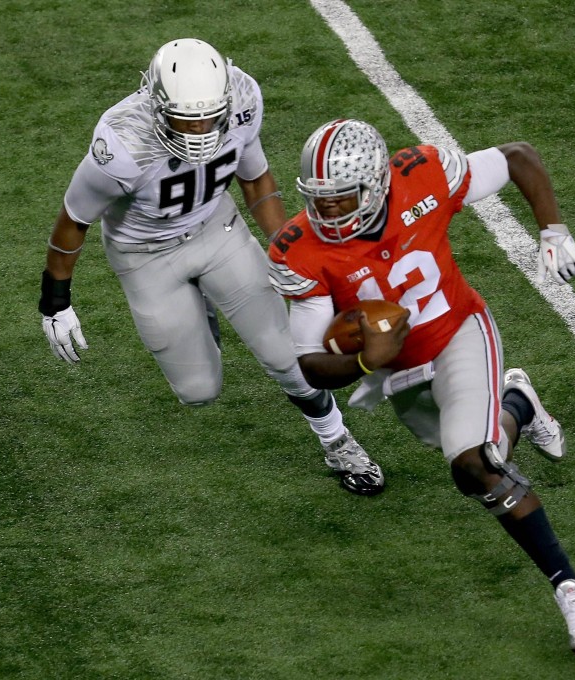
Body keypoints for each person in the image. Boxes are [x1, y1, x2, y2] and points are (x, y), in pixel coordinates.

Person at [267, 119, 575, 652]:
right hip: (398, 371)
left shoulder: (422, 176)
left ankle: (570, 587)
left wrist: (552, 231)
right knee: (475, 467)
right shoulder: (300, 250)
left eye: (340, 199)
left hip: (458, 332)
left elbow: (518, 154)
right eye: (318, 199)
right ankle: (519, 400)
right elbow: (308, 362)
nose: (325, 211)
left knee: (476, 463)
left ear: (377, 183)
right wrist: (362, 362)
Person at [37, 40, 384, 496]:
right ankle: (197, 306)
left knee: (287, 357)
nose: (200, 126)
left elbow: (255, 177)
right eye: (185, 115)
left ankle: (337, 440)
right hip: (146, 257)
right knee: (198, 390)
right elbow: (74, 219)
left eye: (208, 113)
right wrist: (54, 301)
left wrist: (289, 250)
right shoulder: (121, 140)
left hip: (216, 230)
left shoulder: (241, 98)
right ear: (156, 102)